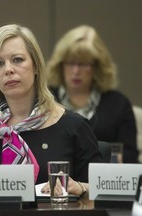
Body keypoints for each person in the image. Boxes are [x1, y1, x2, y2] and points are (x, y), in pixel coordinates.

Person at [0, 24, 103, 197]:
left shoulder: (73, 126)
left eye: (17, 59)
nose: (8, 69)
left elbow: (101, 191)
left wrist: (80, 187)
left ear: (36, 66)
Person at [46, 25, 138, 163]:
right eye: (70, 63)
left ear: (97, 67)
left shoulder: (119, 104)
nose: (76, 71)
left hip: (105, 180)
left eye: (83, 64)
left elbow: (130, 155)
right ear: (60, 65)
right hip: (57, 180)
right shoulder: (45, 99)